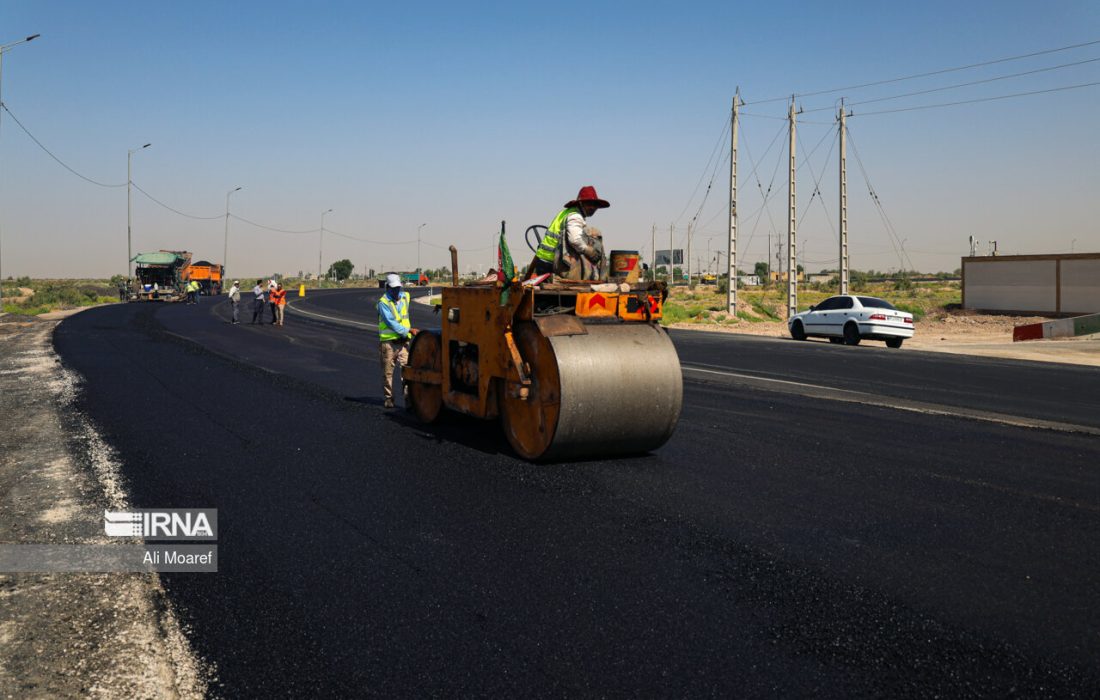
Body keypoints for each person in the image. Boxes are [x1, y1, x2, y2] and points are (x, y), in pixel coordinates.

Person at [530, 185, 609, 281]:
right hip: (551, 263)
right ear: (580, 203)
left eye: (594, 205)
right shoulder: (575, 216)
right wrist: (588, 250)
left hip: (543, 260)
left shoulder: (566, 213)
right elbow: (575, 240)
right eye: (589, 204)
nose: (592, 207)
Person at [377, 273, 418, 409]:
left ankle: (408, 401)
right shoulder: (383, 303)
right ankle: (389, 399)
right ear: (387, 287)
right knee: (388, 373)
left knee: (406, 372)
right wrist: (409, 330)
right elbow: (391, 323)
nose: (396, 290)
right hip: (389, 344)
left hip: (403, 344)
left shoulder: (405, 296)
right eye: (393, 288)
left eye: (398, 288)